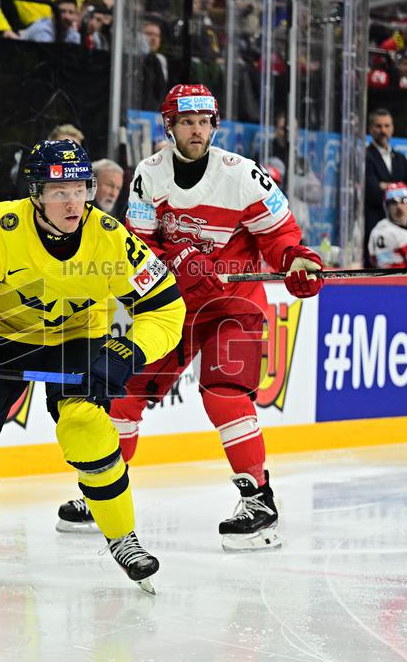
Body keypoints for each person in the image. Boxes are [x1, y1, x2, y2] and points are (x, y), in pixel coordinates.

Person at [55, 84, 324, 551]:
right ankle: (102, 489)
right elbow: (138, 244)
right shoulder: (148, 175)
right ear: (170, 127)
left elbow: (280, 237)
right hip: (171, 309)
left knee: (223, 395)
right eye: (186, 122)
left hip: (233, 307)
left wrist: (298, 263)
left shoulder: (242, 175)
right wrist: (180, 262)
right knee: (124, 396)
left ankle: (258, 499)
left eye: (203, 122)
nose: (196, 130)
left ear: (214, 125)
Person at [0, 139, 185, 592]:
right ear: (36, 194)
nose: (73, 201)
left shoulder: (110, 239)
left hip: (75, 337)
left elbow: (166, 309)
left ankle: (123, 537)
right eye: (58, 191)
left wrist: (129, 352)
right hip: (0, 336)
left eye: (80, 188)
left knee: (85, 425)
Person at [364, 109, 407, 266]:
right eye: (379, 126)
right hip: (373, 226)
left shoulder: (400, 158)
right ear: (370, 129)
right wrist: (400, 188)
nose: (383, 130)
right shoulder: (364, 156)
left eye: (387, 126)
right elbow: (371, 193)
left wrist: (387, 186)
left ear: (392, 129)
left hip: (401, 231)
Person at [368, 182, 407, 268]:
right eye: (394, 202)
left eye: (404, 201)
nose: (399, 206)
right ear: (387, 207)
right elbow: (392, 276)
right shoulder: (382, 233)